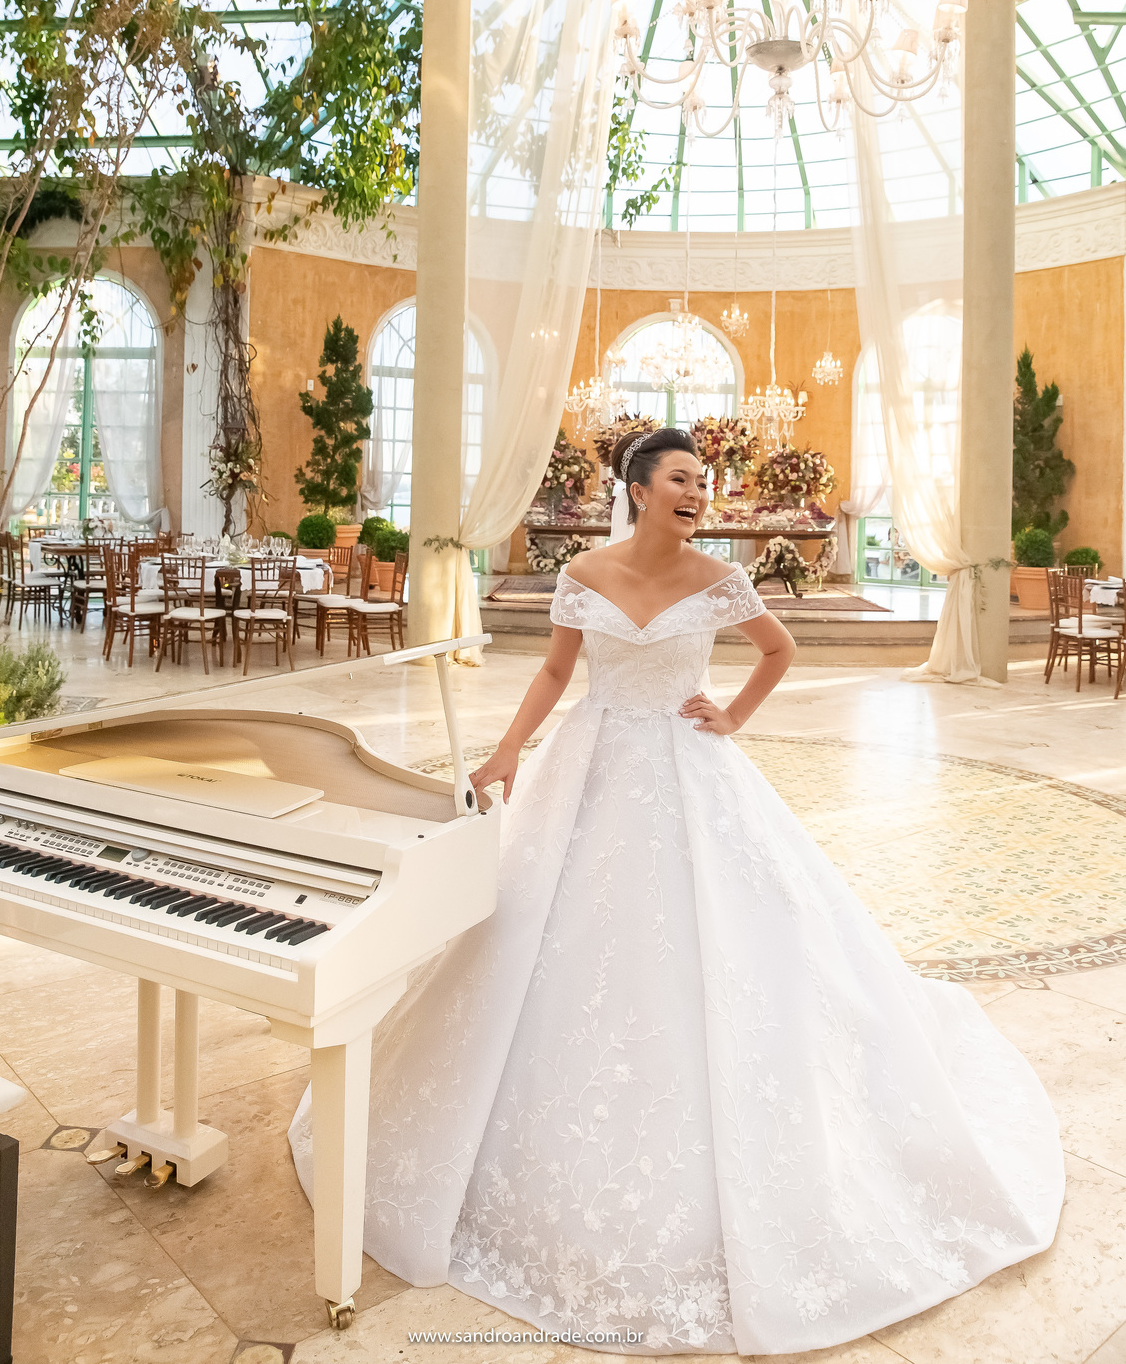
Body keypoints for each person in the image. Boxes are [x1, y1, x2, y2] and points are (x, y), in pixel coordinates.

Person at [288, 427, 1063, 1356]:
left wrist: (730, 714)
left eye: (706, 480)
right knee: (538, 938)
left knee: (735, 943)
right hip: (591, 767)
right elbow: (553, 670)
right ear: (639, 489)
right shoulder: (584, 571)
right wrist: (506, 752)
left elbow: (776, 652)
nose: (701, 492)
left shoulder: (717, 579)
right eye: (683, 479)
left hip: (691, 775)